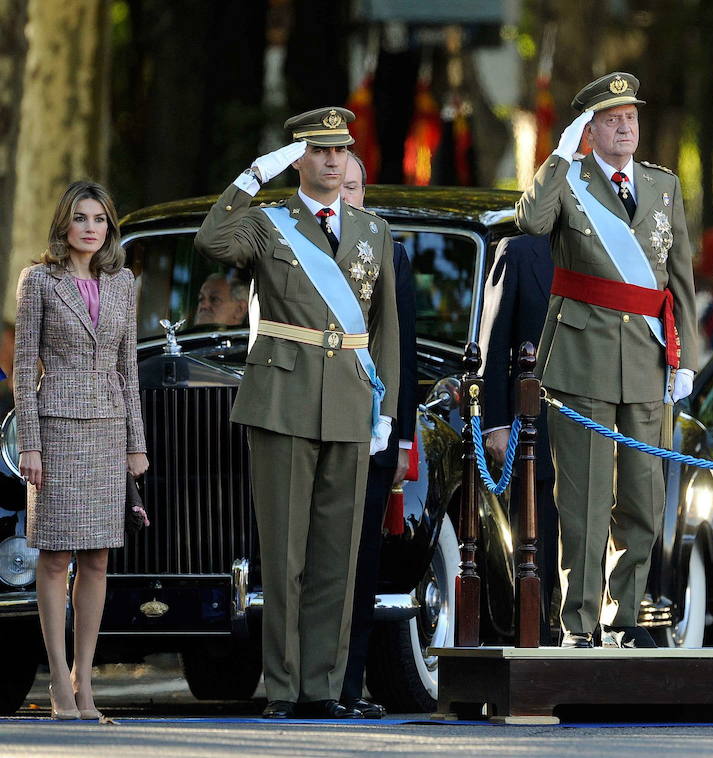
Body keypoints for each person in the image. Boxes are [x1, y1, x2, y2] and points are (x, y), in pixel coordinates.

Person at [194, 106, 400, 719]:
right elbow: (211, 240)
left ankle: (326, 685)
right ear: (297, 160)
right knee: (284, 554)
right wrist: (254, 175)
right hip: (282, 397)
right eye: (318, 151)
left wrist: (382, 404)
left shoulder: (373, 232)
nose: (332, 161)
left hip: (348, 398)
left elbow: (383, 326)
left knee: (338, 552)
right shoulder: (267, 223)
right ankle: (282, 687)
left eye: (340, 151)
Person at [515, 72, 699, 649]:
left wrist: (685, 357)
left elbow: (681, 281)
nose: (626, 127)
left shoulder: (662, 186)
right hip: (582, 357)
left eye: (631, 118)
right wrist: (559, 155)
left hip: (648, 358)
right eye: (612, 119)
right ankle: (580, 622)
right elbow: (531, 223)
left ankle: (627, 617)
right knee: (586, 501)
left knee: (643, 499)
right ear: (588, 130)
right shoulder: (568, 180)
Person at [14, 181, 149, 720]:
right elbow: (24, 370)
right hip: (56, 429)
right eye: (81, 218)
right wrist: (30, 443)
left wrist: (136, 445)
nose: (91, 228)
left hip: (108, 429)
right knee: (54, 558)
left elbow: (128, 370)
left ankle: (85, 682)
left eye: (100, 219)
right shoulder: (38, 281)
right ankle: (58, 686)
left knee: (97, 559)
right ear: (64, 226)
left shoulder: (122, 284)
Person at [337, 151, 417, 716]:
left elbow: (402, 352)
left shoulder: (388, 250)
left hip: (372, 426)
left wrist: (403, 436)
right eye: (336, 187)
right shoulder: (297, 246)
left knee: (361, 560)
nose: (345, 197)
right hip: (307, 419)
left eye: (355, 189)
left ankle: (348, 683)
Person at [477, 233, 561, 646]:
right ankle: (537, 646)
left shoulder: (616, 245)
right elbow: (493, 344)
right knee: (535, 560)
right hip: (534, 435)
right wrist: (495, 424)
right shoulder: (521, 250)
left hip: (597, 429)